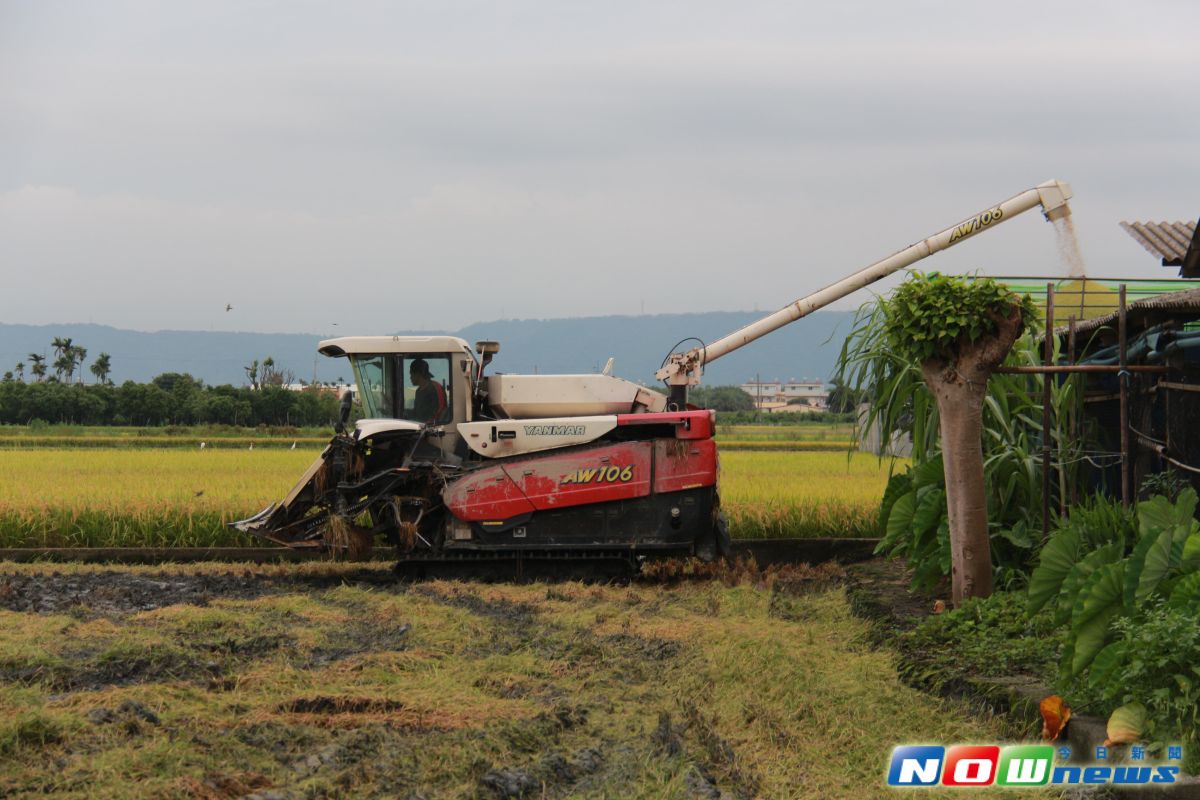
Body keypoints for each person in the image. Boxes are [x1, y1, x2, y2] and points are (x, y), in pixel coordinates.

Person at [409, 358, 446, 424]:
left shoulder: (436, 388)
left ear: (418, 374)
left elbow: (440, 411)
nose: (410, 377)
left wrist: (427, 424)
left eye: (411, 374)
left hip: (431, 428)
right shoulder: (418, 391)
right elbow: (417, 413)